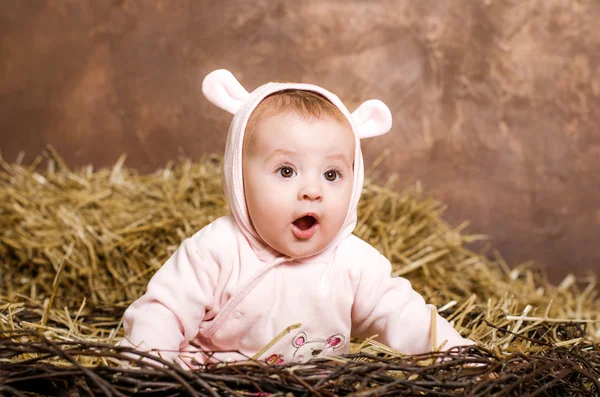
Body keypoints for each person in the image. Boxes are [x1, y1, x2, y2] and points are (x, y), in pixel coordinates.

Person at [119, 69, 475, 368]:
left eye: (332, 175)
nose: (312, 191)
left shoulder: (354, 263)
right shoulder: (214, 250)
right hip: (213, 382)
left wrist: (461, 358)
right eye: (286, 171)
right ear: (240, 179)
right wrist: (153, 372)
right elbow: (162, 313)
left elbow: (405, 317)